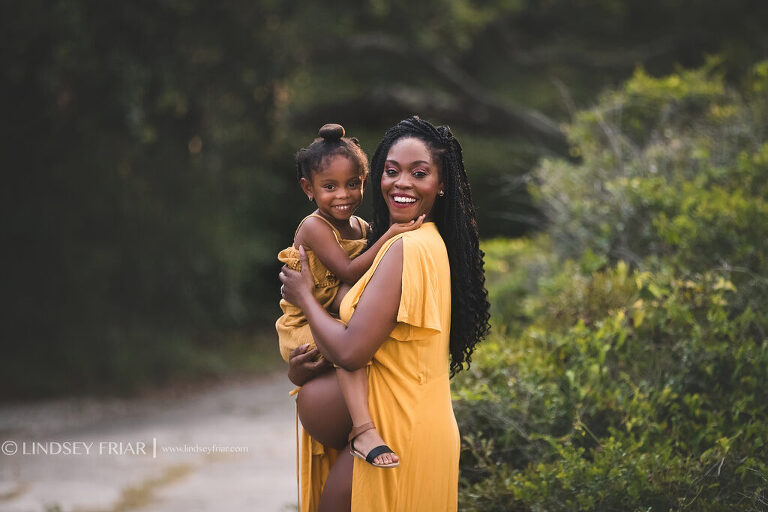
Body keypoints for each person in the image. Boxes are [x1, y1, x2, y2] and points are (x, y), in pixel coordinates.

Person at [280, 116, 491, 512]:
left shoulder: (408, 247)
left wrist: (304, 297)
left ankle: (363, 429)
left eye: (419, 172)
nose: (402, 182)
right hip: (401, 427)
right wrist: (299, 373)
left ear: (442, 183)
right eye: (392, 171)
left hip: (396, 431)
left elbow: (351, 351)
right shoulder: (412, 241)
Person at [276, 124, 426, 507]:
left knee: (348, 324)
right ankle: (362, 428)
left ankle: (361, 426)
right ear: (309, 189)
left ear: (364, 181)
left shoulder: (358, 225)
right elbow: (346, 270)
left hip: (323, 316)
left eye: (353, 184)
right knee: (347, 338)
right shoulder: (314, 226)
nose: (343, 195)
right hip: (303, 325)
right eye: (330, 187)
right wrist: (392, 235)